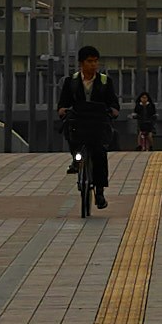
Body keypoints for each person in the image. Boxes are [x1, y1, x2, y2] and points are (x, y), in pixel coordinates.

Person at [54, 44, 126, 215]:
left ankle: (99, 192)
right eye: (89, 61)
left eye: (95, 61)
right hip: (79, 122)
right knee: (70, 133)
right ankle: (76, 159)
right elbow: (63, 103)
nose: (93, 65)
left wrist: (114, 110)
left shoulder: (105, 81)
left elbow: (113, 102)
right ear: (81, 63)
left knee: (100, 154)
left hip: (98, 124)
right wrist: (62, 109)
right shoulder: (71, 82)